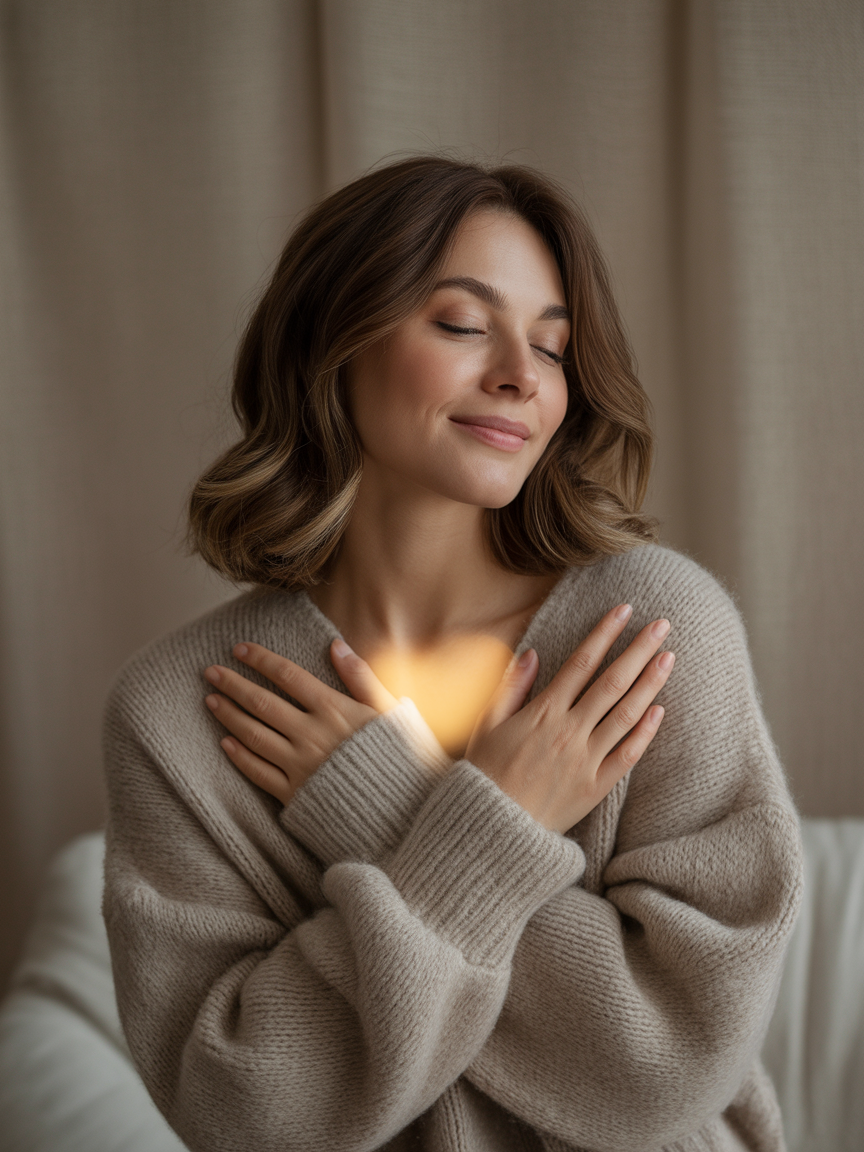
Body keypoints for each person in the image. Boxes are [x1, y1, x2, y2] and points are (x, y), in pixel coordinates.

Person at [102, 155, 804, 1152]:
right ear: (330, 343)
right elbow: (242, 1109)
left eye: (553, 347)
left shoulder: (653, 630)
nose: (522, 375)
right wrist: (492, 826)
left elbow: (665, 1064)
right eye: (463, 325)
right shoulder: (178, 710)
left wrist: (389, 805)